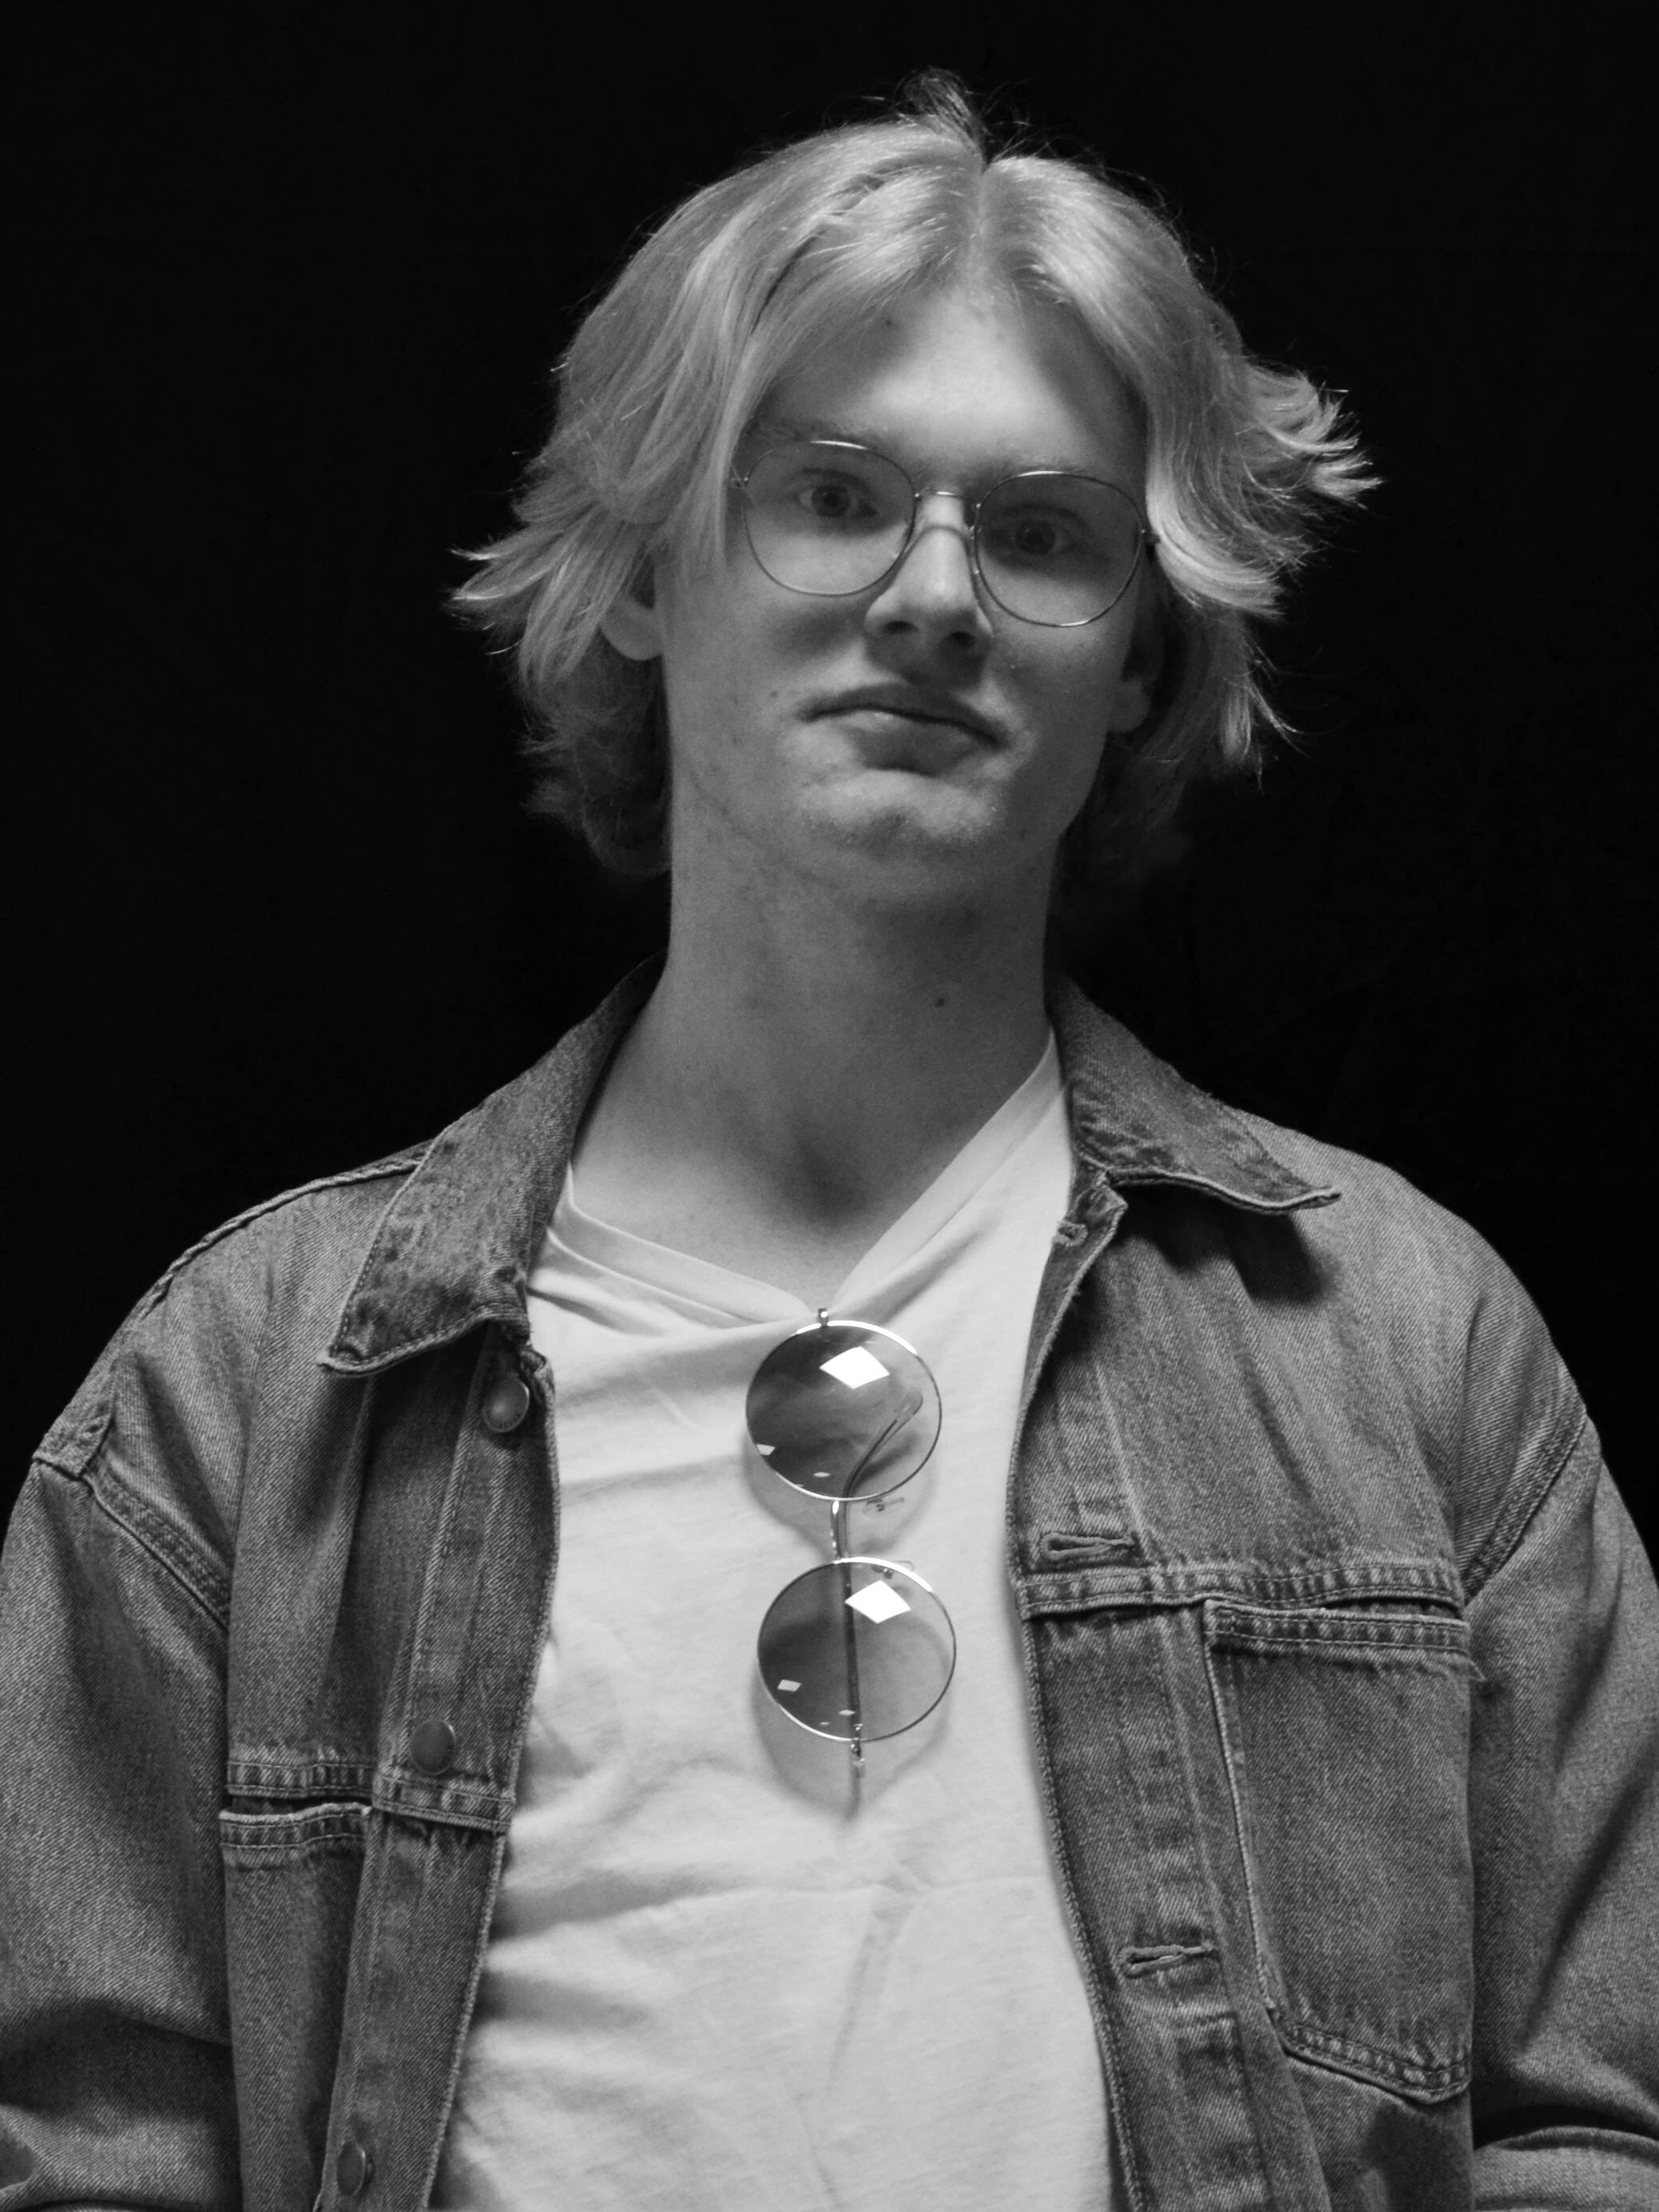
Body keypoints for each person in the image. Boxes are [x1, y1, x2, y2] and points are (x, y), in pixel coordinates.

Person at [2, 74, 1654, 2212]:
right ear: (638, 575)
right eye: (834, 494)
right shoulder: (249, 1390)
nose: (935, 595)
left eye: (1044, 532)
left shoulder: (1396, 1345)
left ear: (1139, 664)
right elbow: (96, 2154)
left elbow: (1588, 2127)